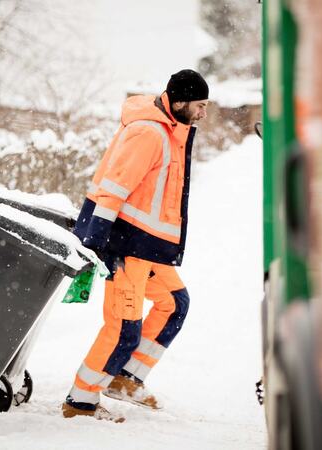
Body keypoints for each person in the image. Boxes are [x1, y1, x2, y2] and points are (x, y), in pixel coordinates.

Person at [62, 69, 209, 422]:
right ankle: (80, 402)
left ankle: (124, 379)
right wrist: (100, 242)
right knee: (122, 329)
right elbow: (114, 187)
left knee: (174, 304)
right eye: (200, 105)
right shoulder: (149, 133)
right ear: (179, 101)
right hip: (124, 244)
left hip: (149, 246)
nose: (204, 113)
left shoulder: (171, 132)